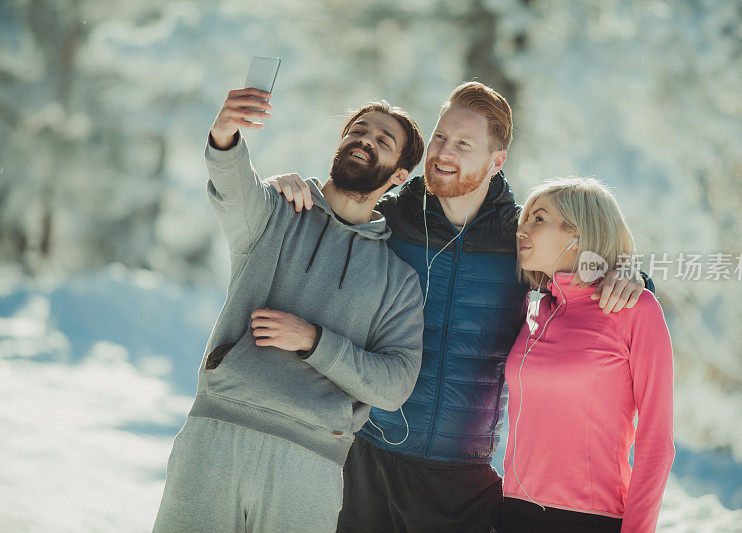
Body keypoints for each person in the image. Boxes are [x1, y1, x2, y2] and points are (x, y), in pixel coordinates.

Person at [270, 82, 654, 533]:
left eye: (463, 144)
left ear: (497, 160)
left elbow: (584, 281)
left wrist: (631, 275)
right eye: (440, 138)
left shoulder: (520, 242)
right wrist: (287, 186)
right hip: (365, 458)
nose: (443, 153)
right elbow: (330, 216)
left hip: (462, 478)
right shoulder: (393, 218)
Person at [152, 88, 426, 532]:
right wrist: (224, 135)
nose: (365, 140)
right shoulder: (275, 214)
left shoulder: (397, 282)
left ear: (398, 175)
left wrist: (314, 341)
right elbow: (234, 187)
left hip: (310, 463)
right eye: (358, 131)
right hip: (216, 435)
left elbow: (394, 384)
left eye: (383, 140)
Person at [502, 177, 674, 533]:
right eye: (525, 219)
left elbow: (656, 441)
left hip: (591, 520)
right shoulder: (535, 311)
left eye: (539, 219)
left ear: (577, 234)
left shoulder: (635, 309)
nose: (522, 229)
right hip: (513, 511)